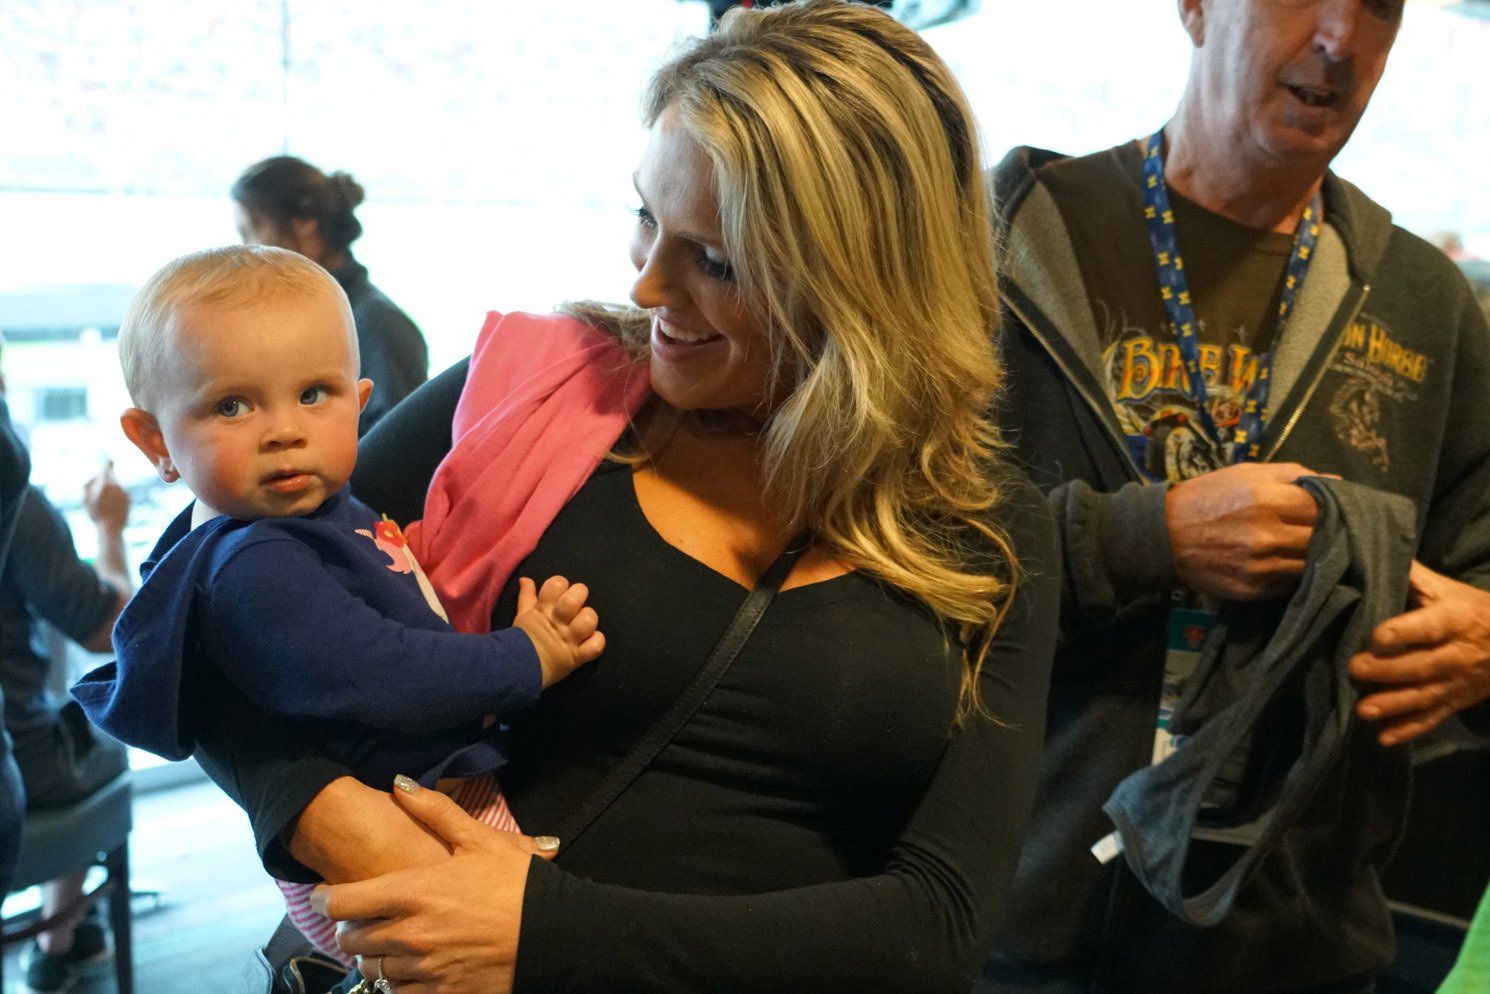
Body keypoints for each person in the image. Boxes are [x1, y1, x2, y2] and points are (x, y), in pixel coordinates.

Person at [183, 2, 1060, 991]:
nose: (646, 287)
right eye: (645, 216)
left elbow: (938, 920)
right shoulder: (540, 389)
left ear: (862, 276)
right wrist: (346, 832)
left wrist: (544, 933)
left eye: (714, 261)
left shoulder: (989, 528)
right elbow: (200, 612)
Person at [983, 1, 1490, 992]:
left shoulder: (1425, 306)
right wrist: (1141, 537)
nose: (1341, 37)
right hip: (1003, 922)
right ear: (1193, 7)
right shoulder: (998, 245)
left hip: (1292, 948)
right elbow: (862, 541)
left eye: (1379, 6)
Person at [71, 245, 602, 964]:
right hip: (411, 805)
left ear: (359, 402)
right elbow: (387, 676)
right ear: (155, 442)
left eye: (314, 394)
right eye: (232, 405)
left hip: (416, 791)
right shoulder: (257, 562)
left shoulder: (310, 515)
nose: (284, 428)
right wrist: (528, 656)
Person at [1, 468, 131, 994]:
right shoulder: (13, 499)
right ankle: (52, 950)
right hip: (18, 768)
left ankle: (72, 929)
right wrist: (109, 527)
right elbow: (112, 627)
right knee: (102, 742)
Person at [232, 156, 428, 434]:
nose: (248, 249)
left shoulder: (378, 324)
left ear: (305, 222)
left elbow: (402, 450)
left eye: (253, 229)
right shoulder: (309, 316)